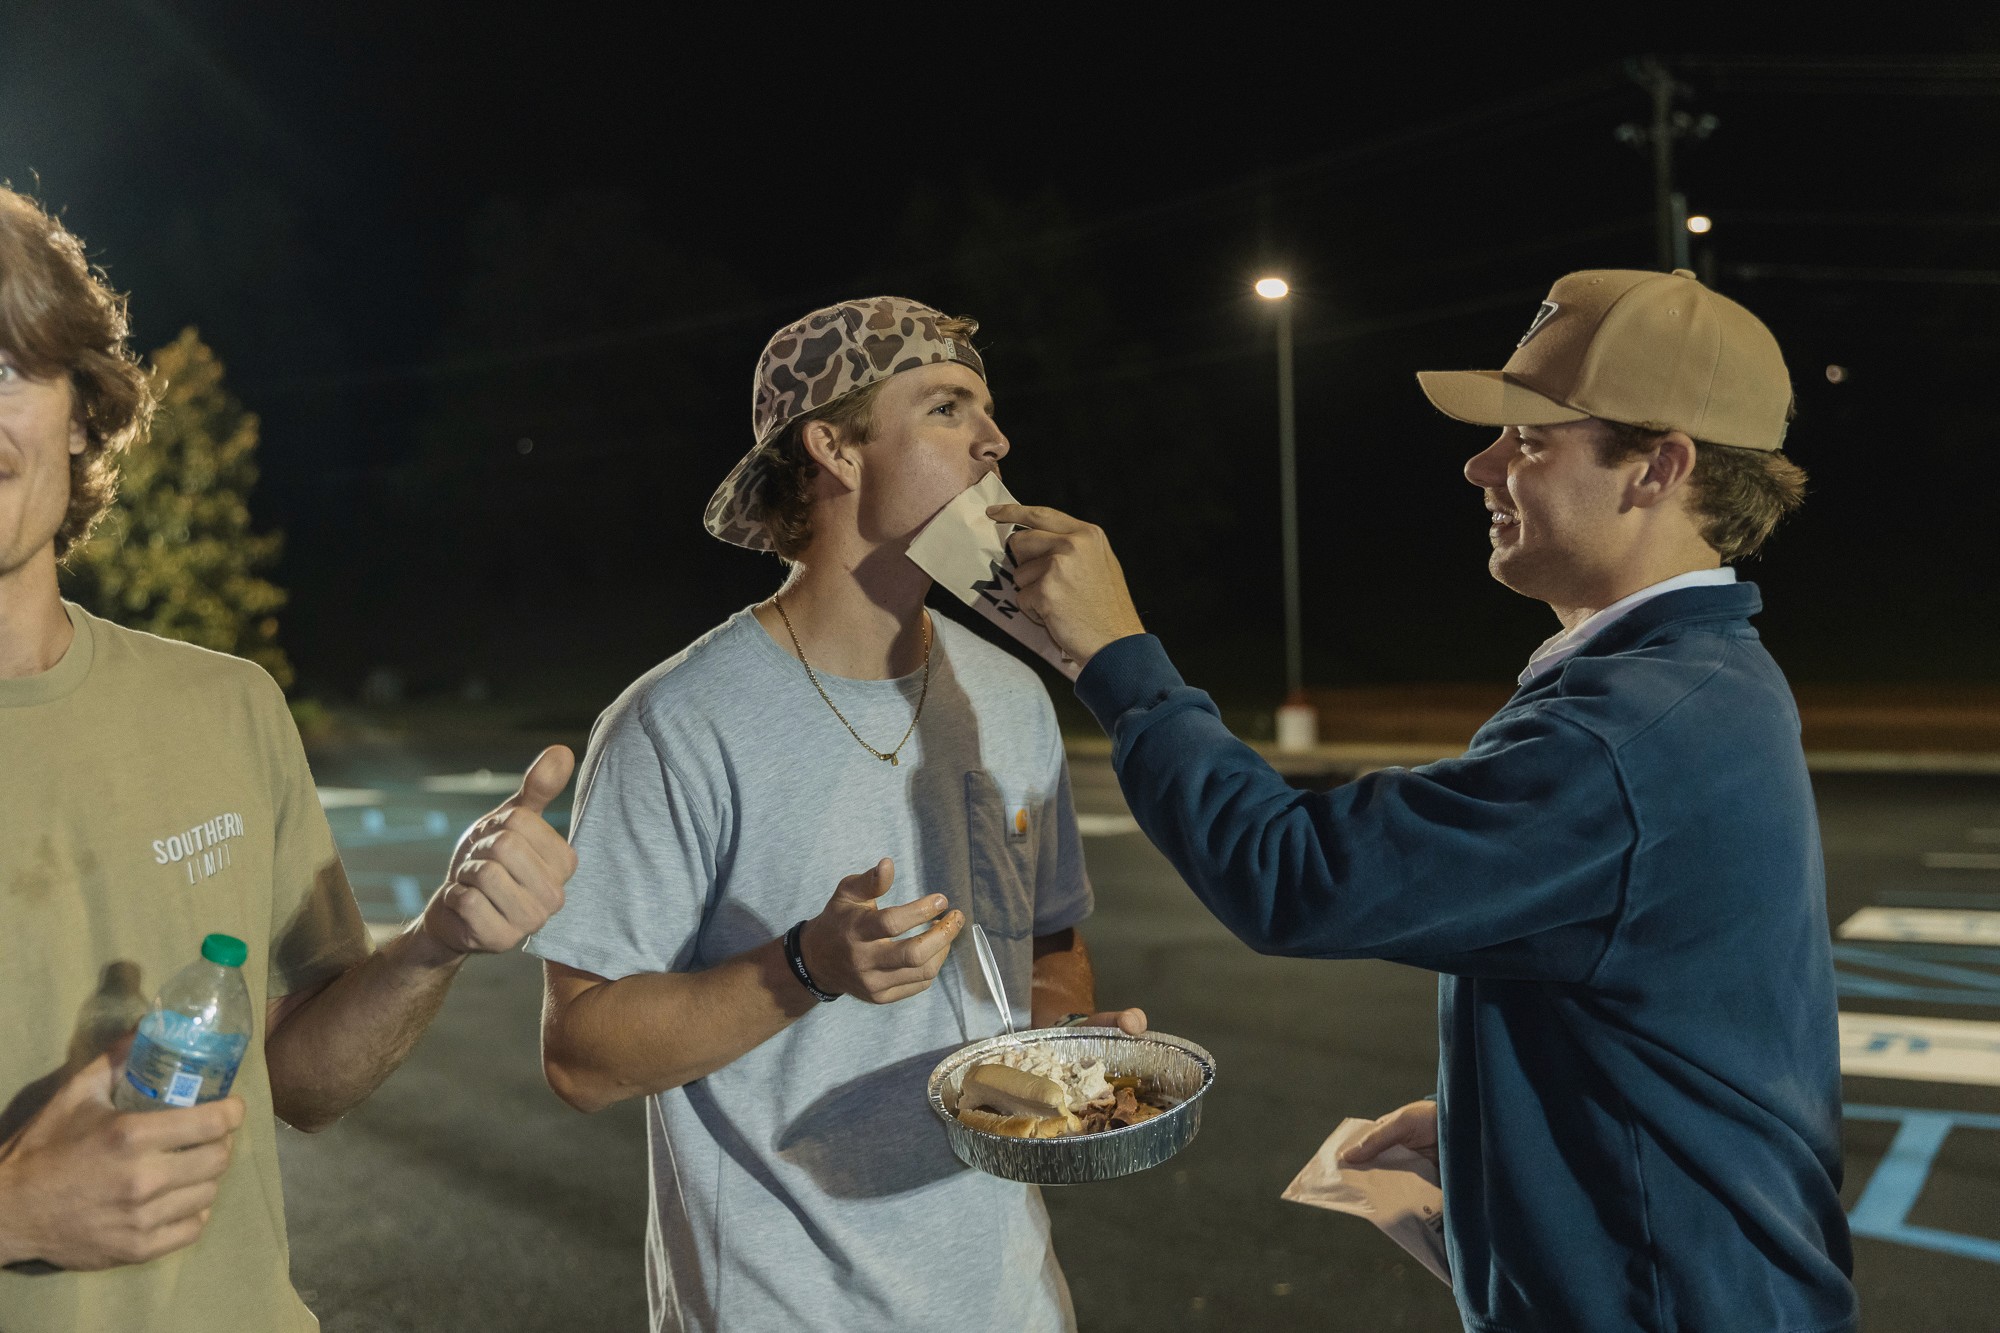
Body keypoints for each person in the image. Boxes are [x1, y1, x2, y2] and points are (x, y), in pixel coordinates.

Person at [992, 269, 1857, 1333]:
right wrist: (1505, 1128)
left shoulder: (1626, 732)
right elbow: (1684, 1005)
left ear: (1658, 468)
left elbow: (1293, 875)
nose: (1480, 464)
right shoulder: (1707, 678)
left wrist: (1116, 657)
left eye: (1528, 440)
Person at [0, 185, 577, 1333]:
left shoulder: (227, 706)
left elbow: (298, 1079)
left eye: (5, 367)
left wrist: (435, 943)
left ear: (80, 412)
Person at [532, 296, 1142, 1333]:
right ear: (834, 447)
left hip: (1010, 1303)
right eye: (946, 407)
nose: (994, 440)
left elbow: (1049, 946)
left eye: (987, 409)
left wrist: (1069, 1045)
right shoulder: (677, 721)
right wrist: (806, 965)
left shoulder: (1010, 698)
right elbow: (581, 1056)